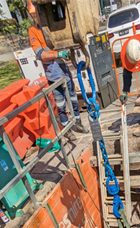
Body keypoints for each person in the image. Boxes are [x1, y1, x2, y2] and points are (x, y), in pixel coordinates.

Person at [27, 1, 89, 140]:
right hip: (53, 71)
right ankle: (67, 128)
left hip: (62, 66)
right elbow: (40, 55)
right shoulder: (34, 31)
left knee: (73, 96)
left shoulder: (53, 27)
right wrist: (58, 54)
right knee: (60, 102)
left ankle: (78, 122)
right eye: (37, 14)